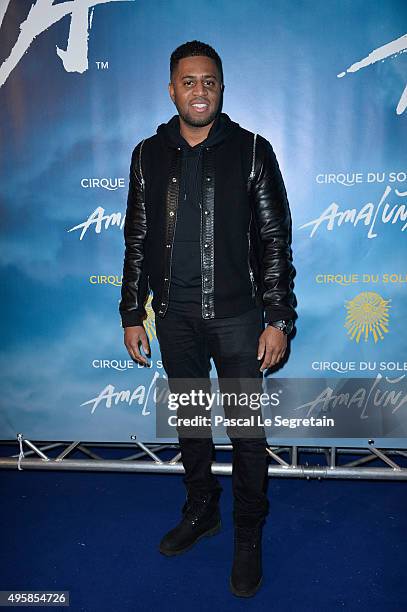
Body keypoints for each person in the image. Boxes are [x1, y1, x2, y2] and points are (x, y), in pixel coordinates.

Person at [119, 40, 296, 598]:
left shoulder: (251, 150)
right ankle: (202, 510)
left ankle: (248, 532)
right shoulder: (148, 153)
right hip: (175, 320)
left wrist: (278, 317)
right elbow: (137, 239)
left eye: (209, 81)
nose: (200, 90)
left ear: (222, 87)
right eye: (189, 81)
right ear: (172, 89)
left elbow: (274, 240)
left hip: (241, 320)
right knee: (192, 427)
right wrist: (131, 312)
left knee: (246, 433)